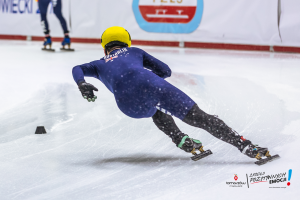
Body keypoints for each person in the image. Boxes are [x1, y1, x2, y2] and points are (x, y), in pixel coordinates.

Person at [72, 26, 273, 162]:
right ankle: (245, 146)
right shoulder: (135, 52)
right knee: (200, 118)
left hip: (127, 106)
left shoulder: (99, 64)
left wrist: (82, 84)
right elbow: (166, 71)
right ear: (127, 41)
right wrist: (148, 76)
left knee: (156, 109)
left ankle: (180, 139)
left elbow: (77, 68)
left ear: (104, 46)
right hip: (151, 85)